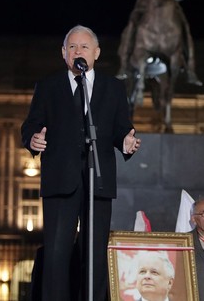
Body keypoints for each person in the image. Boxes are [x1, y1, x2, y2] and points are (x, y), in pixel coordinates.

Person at [21, 24, 141, 301]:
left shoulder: (113, 87)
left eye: (84, 47)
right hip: (59, 181)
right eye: (72, 47)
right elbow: (31, 124)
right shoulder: (49, 86)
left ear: (96, 53)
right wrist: (33, 140)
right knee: (56, 255)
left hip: (97, 180)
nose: (78, 51)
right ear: (64, 53)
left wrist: (125, 142)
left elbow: (122, 127)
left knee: (95, 255)